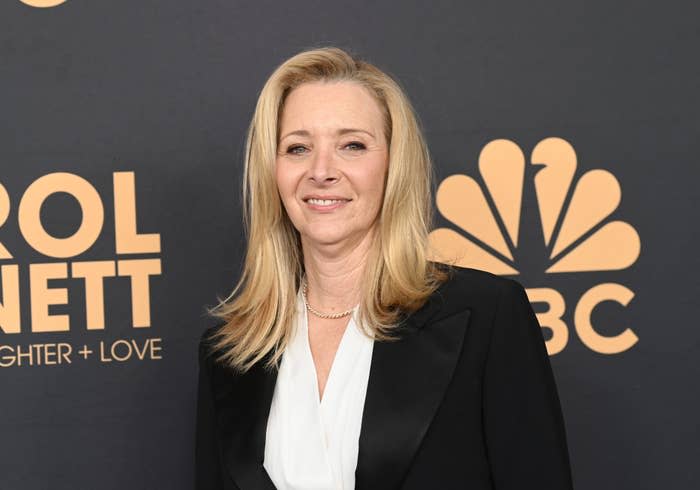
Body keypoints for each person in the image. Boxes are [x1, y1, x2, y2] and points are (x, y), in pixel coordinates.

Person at [195, 46, 573, 490]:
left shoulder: (487, 318)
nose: (321, 171)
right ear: (271, 171)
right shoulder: (231, 352)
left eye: (352, 145)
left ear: (394, 164)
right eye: (297, 148)